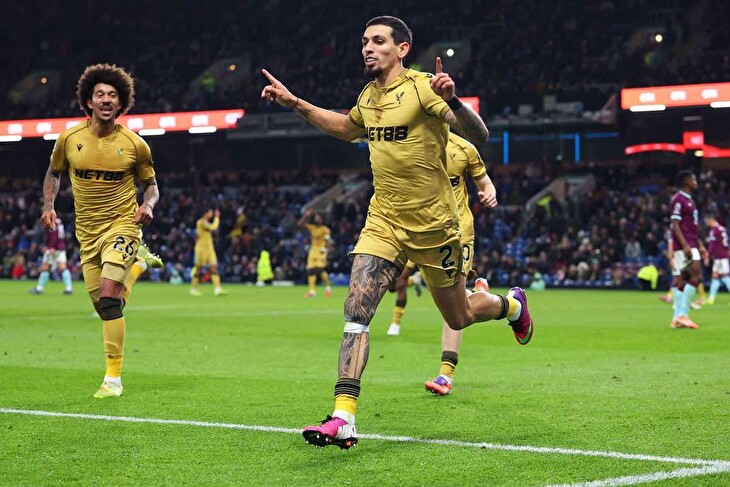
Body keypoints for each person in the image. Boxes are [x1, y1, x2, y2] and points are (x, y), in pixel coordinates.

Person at [261, 15, 534, 450]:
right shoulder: (368, 95)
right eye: (364, 41)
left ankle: (512, 306)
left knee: (459, 316)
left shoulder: (424, 88)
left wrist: (455, 101)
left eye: (378, 41)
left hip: (435, 226)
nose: (368, 48)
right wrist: (295, 102)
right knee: (356, 309)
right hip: (384, 220)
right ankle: (343, 416)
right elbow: (346, 129)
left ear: (402, 49)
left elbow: (479, 134)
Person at [40, 63, 159, 398]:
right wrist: (48, 206)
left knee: (109, 295)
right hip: (87, 234)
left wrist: (148, 205)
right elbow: (53, 173)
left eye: (113, 95)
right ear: (88, 101)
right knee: (106, 307)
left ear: (121, 103)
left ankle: (113, 380)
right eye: (100, 94)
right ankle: (138, 266)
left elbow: (151, 186)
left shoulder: (135, 145)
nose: (106, 99)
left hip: (123, 225)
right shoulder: (69, 139)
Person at [423, 131, 498, 396]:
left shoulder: (464, 149)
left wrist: (489, 194)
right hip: (422, 231)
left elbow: (485, 183)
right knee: (452, 303)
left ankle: (445, 375)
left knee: (452, 310)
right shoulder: (410, 142)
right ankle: (488, 299)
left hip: (458, 233)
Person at [667, 170, 707, 329]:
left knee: (683, 279)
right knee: (696, 276)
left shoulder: (690, 200)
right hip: (685, 245)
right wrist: (684, 245)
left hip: (691, 242)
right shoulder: (678, 199)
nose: (695, 182)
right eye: (693, 179)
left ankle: (676, 318)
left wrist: (700, 245)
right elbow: (675, 224)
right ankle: (682, 315)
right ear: (686, 182)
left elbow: (691, 227)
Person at [28, 216, 74, 295]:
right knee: (63, 268)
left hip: (53, 248)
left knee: (45, 267)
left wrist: (52, 247)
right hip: (60, 247)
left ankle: (39, 288)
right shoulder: (59, 222)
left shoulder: (53, 222)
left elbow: (54, 235)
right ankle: (69, 288)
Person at [190, 209, 228, 296]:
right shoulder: (201, 222)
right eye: (210, 212)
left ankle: (217, 289)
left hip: (209, 249)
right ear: (205, 213)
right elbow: (213, 227)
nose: (211, 214)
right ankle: (194, 288)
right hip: (201, 249)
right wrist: (217, 217)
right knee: (198, 268)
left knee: (214, 267)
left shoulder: (205, 222)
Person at [298, 208, 332, 297]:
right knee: (311, 270)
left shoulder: (325, 229)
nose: (317, 219)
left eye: (318, 218)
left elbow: (328, 241)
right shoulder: (312, 228)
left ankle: (328, 287)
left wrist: (326, 249)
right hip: (313, 250)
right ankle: (312, 291)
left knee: (320, 270)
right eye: (316, 218)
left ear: (322, 220)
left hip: (321, 250)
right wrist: (306, 216)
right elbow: (300, 224)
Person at [385, 262, 422, 336]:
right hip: (395, 256)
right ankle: (413, 280)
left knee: (400, 284)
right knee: (392, 288)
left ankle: (395, 324)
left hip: (411, 257)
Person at [704, 213, 730, 304]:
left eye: (706, 221)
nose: (706, 223)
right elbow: (726, 243)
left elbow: (712, 245)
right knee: (715, 277)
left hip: (720, 257)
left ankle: (711, 299)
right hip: (722, 256)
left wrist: (707, 256)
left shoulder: (714, 230)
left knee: (725, 276)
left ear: (710, 220)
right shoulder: (722, 229)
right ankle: (711, 299)